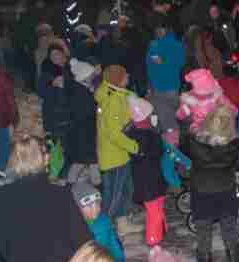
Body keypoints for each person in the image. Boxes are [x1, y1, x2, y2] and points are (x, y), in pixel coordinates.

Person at [182, 105, 239, 262]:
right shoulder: (235, 146)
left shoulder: (193, 143)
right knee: (230, 234)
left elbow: (182, 146)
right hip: (225, 191)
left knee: (203, 238)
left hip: (202, 193)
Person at [95, 65, 142, 235]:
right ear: (118, 80)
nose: (127, 77)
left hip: (120, 153)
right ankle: (100, 231)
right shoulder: (112, 101)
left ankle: (122, 224)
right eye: (124, 75)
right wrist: (135, 147)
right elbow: (114, 134)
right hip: (113, 156)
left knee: (125, 191)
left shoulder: (118, 95)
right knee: (113, 196)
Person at [126, 95, 169, 246]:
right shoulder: (149, 135)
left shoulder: (131, 133)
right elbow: (158, 152)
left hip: (147, 179)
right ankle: (153, 238)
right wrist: (157, 132)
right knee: (154, 209)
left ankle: (160, 232)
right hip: (151, 180)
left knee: (156, 207)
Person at [71, 183, 126, 262]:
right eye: (89, 205)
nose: (95, 208)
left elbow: (115, 246)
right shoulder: (75, 229)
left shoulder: (104, 222)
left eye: (97, 203)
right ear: (77, 208)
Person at [146, 19, 186, 136]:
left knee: (166, 123)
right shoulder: (178, 45)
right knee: (173, 117)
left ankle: (172, 142)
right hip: (174, 87)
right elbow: (181, 63)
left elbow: (153, 65)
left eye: (159, 29)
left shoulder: (154, 45)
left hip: (160, 89)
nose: (157, 31)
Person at [65, 59, 100, 185]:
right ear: (84, 77)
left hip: (83, 130)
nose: (93, 77)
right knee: (88, 159)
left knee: (82, 159)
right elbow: (88, 111)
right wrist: (98, 109)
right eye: (91, 75)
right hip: (84, 130)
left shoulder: (82, 88)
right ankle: (96, 182)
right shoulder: (80, 92)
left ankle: (72, 182)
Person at [177, 68, 238, 133]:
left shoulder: (218, 95)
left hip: (216, 129)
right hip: (204, 130)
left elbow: (233, 110)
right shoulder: (190, 98)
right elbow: (180, 115)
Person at [38, 44, 71, 138]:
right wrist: (52, 84)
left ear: (63, 54)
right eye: (52, 55)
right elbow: (41, 92)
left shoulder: (71, 68)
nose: (55, 57)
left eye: (57, 53)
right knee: (54, 141)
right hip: (53, 115)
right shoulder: (47, 72)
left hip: (70, 113)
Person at [0, 58, 16, 178]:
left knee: (3, 146)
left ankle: (1, 171)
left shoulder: (1, 77)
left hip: (1, 119)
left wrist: (12, 119)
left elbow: (9, 99)